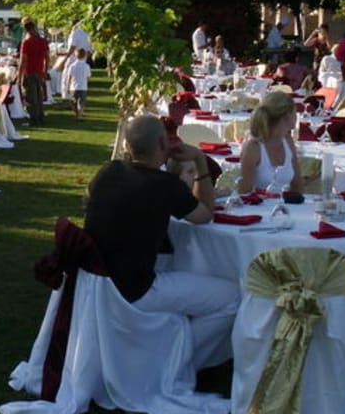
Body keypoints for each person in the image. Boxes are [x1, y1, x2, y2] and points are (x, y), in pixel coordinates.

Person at [82, 115, 238, 328]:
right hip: (136, 289)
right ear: (163, 142)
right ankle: (187, 347)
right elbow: (205, 215)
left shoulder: (108, 171)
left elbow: (89, 202)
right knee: (231, 297)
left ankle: (172, 342)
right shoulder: (164, 184)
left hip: (94, 281)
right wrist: (200, 160)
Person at [237, 90, 303, 196]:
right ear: (287, 115)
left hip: (284, 203)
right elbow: (244, 192)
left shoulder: (288, 141)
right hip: (257, 204)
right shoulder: (254, 147)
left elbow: (297, 185)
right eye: (295, 113)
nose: (297, 117)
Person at [15, 19, 49, 126]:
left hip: (29, 71)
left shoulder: (26, 42)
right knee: (39, 96)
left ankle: (34, 119)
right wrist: (45, 70)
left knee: (30, 97)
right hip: (40, 71)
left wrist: (19, 76)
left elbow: (22, 60)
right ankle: (40, 117)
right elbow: (47, 58)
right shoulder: (43, 41)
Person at [62, 48, 91, 119]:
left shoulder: (72, 66)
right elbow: (88, 77)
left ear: (75, 55)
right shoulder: (86, 66)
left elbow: (69, 77)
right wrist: (86, 84)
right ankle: (79, 115)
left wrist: (68, 87)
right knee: (82, 102)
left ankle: (77, 114)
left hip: (73, 87)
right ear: (84, 55)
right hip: (83, 87)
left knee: (73, 102)